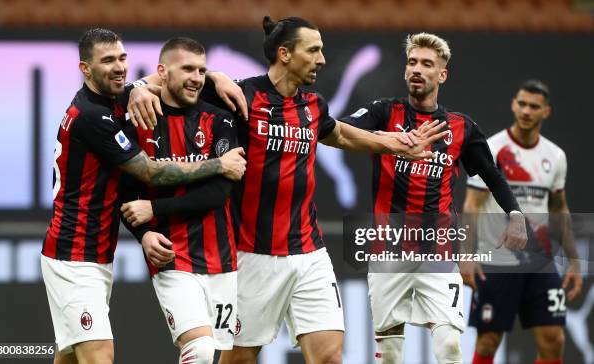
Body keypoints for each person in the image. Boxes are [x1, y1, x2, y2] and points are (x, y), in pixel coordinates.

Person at [127, 16, 448, 364]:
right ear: (284, 54)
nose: (321, 59)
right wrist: (138, 88)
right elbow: (175, 81)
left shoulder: (312, 105)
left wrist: (396, 145)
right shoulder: (240, 95)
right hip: (252, 255)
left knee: (328, 356)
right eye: (313, 50)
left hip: (309, 251)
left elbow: (338, 133)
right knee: (240, 358)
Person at [40, 28, 246, 364]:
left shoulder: (111, 99)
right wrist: (219, 164)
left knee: (71, 355)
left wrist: (216, 77)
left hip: (92, 252)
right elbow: (149, 172)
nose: (119, 67)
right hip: (73, 252)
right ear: (85, 69)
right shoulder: (93, 117)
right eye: (107, 61)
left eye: (122, 58)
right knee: (99, 355)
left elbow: (168, 76)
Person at [341, 33, 528, 364]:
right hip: (388, 251)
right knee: (390, 355)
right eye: (412, 62)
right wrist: (388, 139)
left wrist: (515, 215)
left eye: (427, 64)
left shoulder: (461, 128)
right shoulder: (384, 113)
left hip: (438, 253)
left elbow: (493, 176)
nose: (417, 69)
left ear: (442, 74)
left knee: (450, 347)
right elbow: (338, 130)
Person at [120, 37, 241, 364]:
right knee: (200, 350)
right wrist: (143, 235)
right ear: (162, 72)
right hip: (171, 257)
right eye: (187, 68)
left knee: (216, 355)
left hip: (223, 259)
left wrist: (155, 209)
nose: (197, 77)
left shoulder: (220, 120)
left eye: (202, 70)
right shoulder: (139, 119)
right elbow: (127, 195)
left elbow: (219, 192)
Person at [463, 80, 582, 364]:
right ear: (513, 105)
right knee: (489, 341)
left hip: (540, 261)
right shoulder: (489, 148)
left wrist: (574, 259)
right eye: (522, 104)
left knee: (554, 339)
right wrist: (467, 255)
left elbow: (558, 207)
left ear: (546, 112)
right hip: (497, 259)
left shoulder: (555, 157)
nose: (527, 111)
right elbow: (471, 205)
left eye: (534, 106)